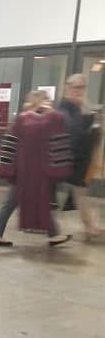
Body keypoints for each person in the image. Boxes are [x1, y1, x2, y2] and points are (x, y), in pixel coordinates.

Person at [0, 92, 73, 247]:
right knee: (15, 202)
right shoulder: (27, 119)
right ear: (37, 101)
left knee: (26, 201)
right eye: (45, 99)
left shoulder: (31, 119)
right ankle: (53, 234)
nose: (48, 103)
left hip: (30, 171)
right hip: (24, 171)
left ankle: (53, 234)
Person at [58, 73, 101, 239]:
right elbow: (74, 132)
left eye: (83, 87)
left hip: (77, 159)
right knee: (75, 193)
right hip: (66, 158)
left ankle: (89, 225)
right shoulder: (65, 108)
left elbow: (86, 127)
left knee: (79, 193)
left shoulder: (77, 106)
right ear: (68, 87)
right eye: (77, 87)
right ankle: (51, 229)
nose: (80, 91)